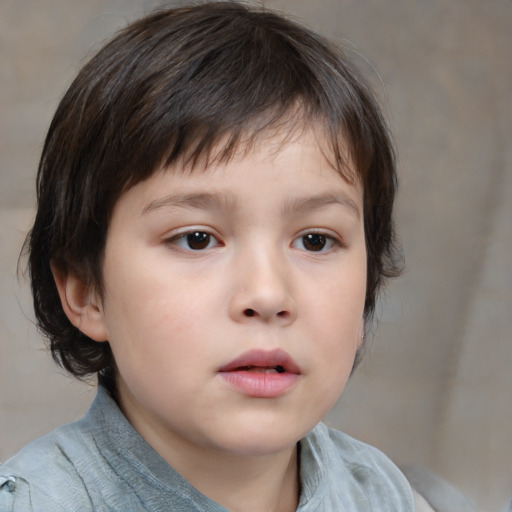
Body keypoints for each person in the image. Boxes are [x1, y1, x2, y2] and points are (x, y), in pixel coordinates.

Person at [0, 2, 417, 510]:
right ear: (86, 290)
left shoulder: (380, 492)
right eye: (197, 239)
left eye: (315, 241)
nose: (267, 295)